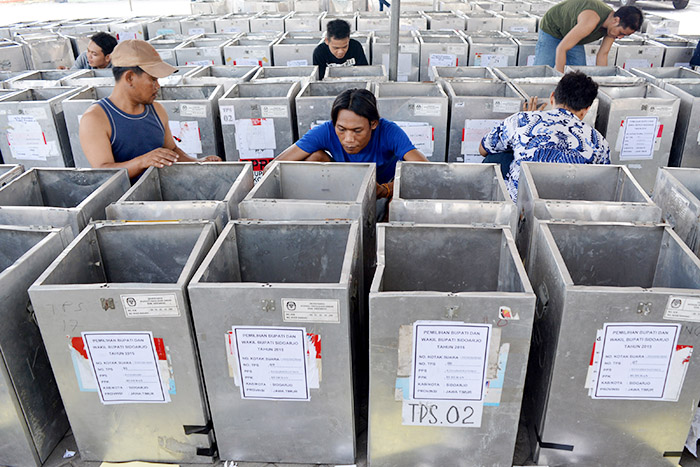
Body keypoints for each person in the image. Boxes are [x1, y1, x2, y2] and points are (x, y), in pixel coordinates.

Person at [79, 40, 220, 180]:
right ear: (129, 77)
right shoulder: (95, 119)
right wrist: (143, 162)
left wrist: (199, 162)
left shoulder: (157, 110)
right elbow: (103, 172)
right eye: (153, 79)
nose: (157, 86)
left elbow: (172, 151)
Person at [479, 71, 610, 202]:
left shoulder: (521, 120)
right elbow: (603, 186)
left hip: (520, 206)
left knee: (497, 155)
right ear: (586, 109)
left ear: (552, 97)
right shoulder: (599, 141)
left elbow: (483, 149)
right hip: (568, 209)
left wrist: (527, 125)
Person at [274, 88, 427, 199]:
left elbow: (425, 170)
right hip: (342, 182)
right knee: (313, 158)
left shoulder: (389, 131)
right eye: (341, 129)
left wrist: (387, 190)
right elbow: (273, 167)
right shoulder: (326, 130)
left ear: (373, 124)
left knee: (400, 195)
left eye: (357, 130)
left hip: (381, 187)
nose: (348, 139)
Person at [534, 0, 643, 72]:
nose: (620, 37)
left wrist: (603, 82)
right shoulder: (591, 20)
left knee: (577, 75)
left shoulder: (612, 29)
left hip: (575, 35)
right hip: (553, 28)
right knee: (543, 71)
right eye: (621, 33)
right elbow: (561, 48)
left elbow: (602, 55)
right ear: (616, 20)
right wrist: (560, 78)